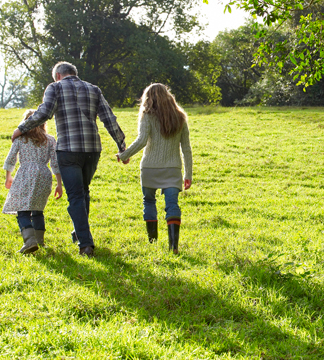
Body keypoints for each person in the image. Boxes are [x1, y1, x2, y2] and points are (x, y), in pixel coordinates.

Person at [12, 62, 127, 257]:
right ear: (74, 73)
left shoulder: (55, 87)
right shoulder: (93, 89)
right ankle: (79, 232)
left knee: (75, 195)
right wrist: (121, 145)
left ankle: (85, 244)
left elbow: (44, 113)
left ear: (58, 75)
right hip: (92, 149)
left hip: (68, 149)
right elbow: (109, 118)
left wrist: (21, 128)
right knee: (83, 191)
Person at [117, 83, 192, 254]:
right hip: (172, 169)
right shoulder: (180, 117)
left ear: (148, 97)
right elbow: (186, 148)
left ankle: (153, 243)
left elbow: (142, 140)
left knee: (149, 201)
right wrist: (188, 174)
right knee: (172, 204)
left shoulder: (147, 115)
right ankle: (173, 246)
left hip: (150, 167)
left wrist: (124, 155)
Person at [3, 109, 63, 254]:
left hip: (25, 174)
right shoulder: (50, 140)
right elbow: (55, 163)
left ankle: (30, 241)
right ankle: (39, 241)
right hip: (44, 175)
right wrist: (59, 184)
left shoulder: (21, 139)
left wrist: (8, 176)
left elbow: (11, 158)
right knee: (37, 209)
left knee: (22, 210)